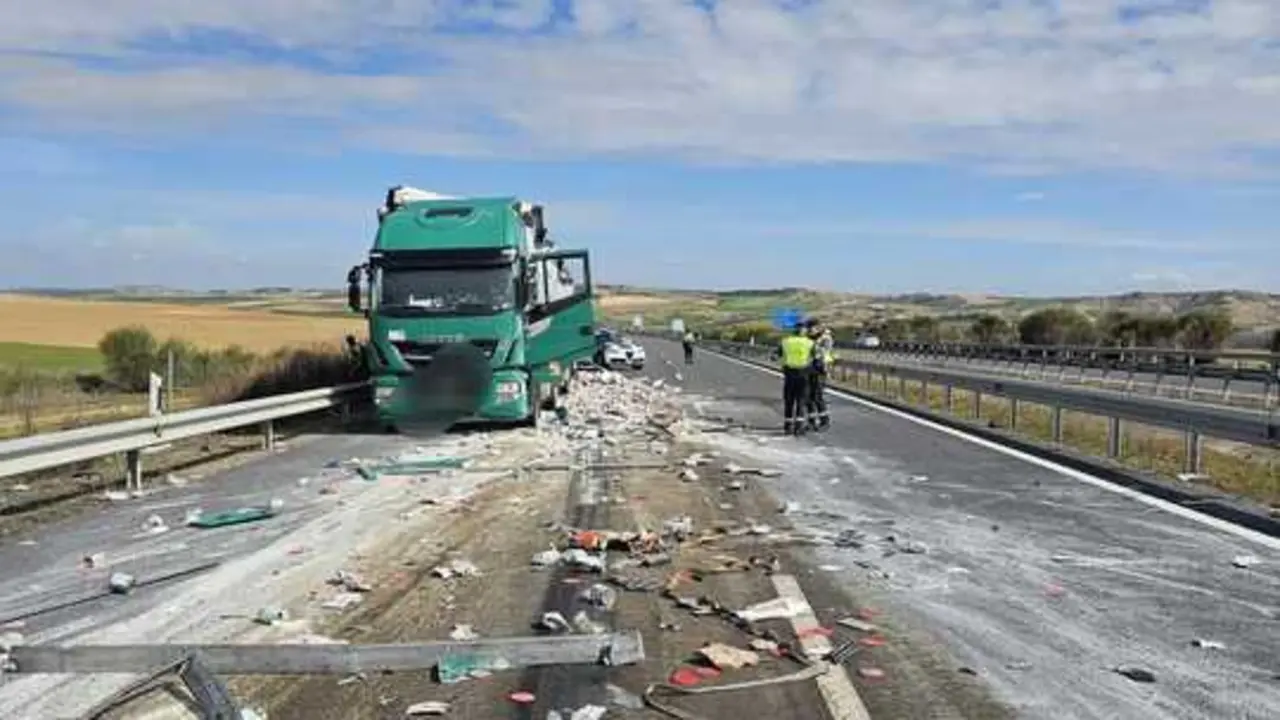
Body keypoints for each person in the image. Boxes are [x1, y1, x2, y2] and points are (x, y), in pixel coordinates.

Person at [775, 321, 816, 436]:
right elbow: (815, 358)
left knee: (789, 401)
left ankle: (787, 426)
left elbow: (777, 355)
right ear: (804, 331)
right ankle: (798, 427)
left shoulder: (785, 342)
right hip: (803, 374)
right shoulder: (810, 343)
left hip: (789, 374)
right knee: (801, 401)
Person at [806, 319, 833, 431]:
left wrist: (811, 347)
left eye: (811, 328)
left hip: (820, 370)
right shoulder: (808, 338)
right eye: (808, 328)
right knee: (808, 397)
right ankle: (811, 422)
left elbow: (821, 352)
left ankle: (824, 422)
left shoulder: (825, 338)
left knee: (817, 397)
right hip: (808, 369)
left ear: (817, 327)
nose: (809, 330)